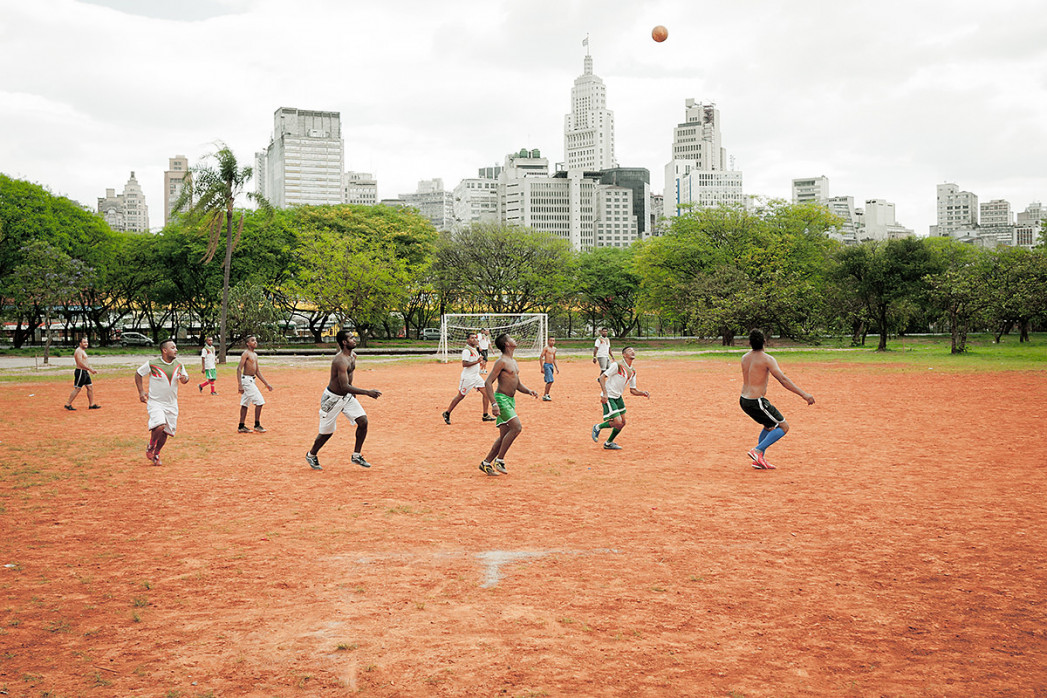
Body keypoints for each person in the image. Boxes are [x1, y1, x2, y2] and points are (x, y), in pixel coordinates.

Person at [306, 330, 382, 471]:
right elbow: (344, 385)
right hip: (332, 399)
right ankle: (311, 454)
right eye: (351, 338)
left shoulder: (352, 356)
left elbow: (349, 379)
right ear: (344, 342)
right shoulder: (339, 360)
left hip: (346, 397)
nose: (354, 339)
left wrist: (354, 394)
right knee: (326, 433)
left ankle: (356, 455)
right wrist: (367, 392)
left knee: (363, 421)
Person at [739, 329, 815, 470]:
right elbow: (783, 379)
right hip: (757, 401)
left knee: (769, 426)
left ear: (749, 343)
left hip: (744, 400)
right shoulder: (767, 359)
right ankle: (757, 451)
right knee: (783, 426)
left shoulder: (744, 358)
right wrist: (804, 394)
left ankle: (758, 460)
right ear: (764, 342)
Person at [480, 333, 538, 476]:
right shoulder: (501, 361)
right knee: (517, 427)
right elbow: (488, 382)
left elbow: (517, 384)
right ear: (506, 344)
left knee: (504, 435)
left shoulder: (513, 361)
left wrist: (529, 391)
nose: (514, 339)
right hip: (501, 399)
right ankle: (500, 460)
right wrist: (493, 404)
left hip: (510, 401)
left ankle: (486, 463)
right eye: (511, 338)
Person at [134, 339, 189, 466]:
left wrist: (184, 378)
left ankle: (156, 453)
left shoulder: (179, 364)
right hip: (155, 402)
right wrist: (141, 392)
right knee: (160, 425)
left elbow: (186, 379)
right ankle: (151, 446)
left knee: (165, 433)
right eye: (173, 347)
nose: (176, 350)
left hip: (171, 404)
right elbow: (138, 373)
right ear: (165, 350)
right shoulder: (152, 364)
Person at [591, 346, 649, 450]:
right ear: (624, 354)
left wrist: (642, 393)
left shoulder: (633, 371)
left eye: (633, 350)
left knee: (622, 423)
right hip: (609, 396)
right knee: (617, 421)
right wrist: (605, 394)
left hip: (618, 397)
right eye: (629, 350)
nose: (632, 351)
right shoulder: (617, 365)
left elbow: (632, 390)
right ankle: (597, 427)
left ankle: (608, 443)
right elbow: (602, 377)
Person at [442, 332, 495, 424]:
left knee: (486, 393)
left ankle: (485, 415)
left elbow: (475, 361)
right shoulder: (466, 351)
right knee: (460, 396)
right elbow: (464, 364)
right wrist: (477, 361)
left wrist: (480, 362)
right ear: (467, 340)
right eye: (472, 338)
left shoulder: (474, 349)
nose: (474, 339)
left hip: (476, 376)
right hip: (468, 377)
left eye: (475, 338)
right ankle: (447, 413)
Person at [236, 335, 273, 433]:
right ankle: (257, 425)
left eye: (255, 340)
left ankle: (241, 426)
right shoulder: (246, 353)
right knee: (260, 402)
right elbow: (239, 368)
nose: (255, 342)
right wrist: (239, 384)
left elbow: (257, 371)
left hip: (252, 380)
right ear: (248, 343)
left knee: (245, 404)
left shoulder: (255, 355)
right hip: (246, 381)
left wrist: (266, 383)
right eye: (252, 341)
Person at [64, 336, 100, 410]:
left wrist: (90, 368)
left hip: (85, 372)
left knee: (90, 387)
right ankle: (68, 404)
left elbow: (85, 362)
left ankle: (91, 404)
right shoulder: (78, 351)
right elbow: (80, 363)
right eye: (84, 342)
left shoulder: (82, 351)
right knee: (77, 389)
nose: (86, 343)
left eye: (86, 342)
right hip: (80, 371)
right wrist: (90, 369)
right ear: (80, 343)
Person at [538, 336, 559, 401]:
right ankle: (545, 395)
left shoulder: (554, 349)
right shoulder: (546, 348)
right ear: (548, 341)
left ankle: (546, 394)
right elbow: (541, 357)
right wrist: (542, 367)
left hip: (551, 366)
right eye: (551, 340)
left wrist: (556, 367)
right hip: (546, 365)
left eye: (553, 340)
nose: (552, 342)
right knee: (550, 380)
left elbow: (554, 359)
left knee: (549, 381)